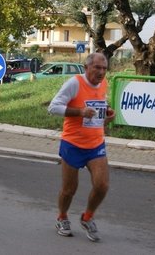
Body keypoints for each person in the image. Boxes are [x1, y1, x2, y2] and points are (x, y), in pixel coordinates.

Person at [48, 52, 116, 242]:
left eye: (104, 68)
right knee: (69, 189)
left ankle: (87, 217)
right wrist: (79, 112)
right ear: (86, 68)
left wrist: (108, 111)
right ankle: (62, 217)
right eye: (97, 68)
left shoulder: (104, 83)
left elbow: (99, 102)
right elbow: (53, 107)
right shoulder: (74, 84)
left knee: (102, 185)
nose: (101, 72)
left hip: (96, 144)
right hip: (72, 143)